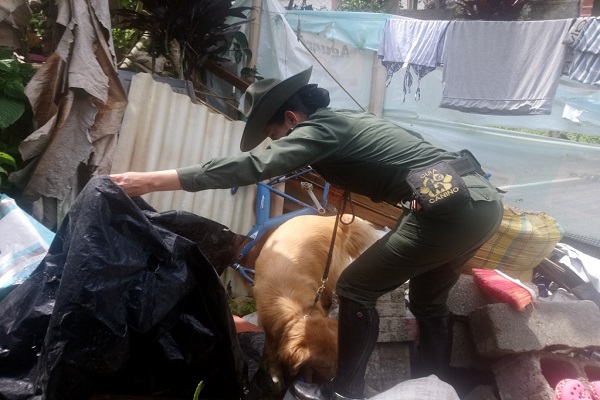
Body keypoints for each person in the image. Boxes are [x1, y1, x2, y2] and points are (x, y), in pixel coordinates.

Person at [110, 66, 504, 400]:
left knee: (355, 287)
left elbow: (255, 165)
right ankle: (437, 386)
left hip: (449, 210)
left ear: (292, 119)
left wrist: (151, 181)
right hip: (475, 201)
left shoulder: (318, 130)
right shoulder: (345, 121)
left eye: (277, 136)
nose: (280, 144)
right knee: (428, 302)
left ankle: (344, 391)